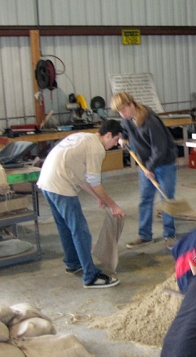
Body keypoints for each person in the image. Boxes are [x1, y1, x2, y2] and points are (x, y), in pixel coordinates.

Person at [37, 120, 125, 289]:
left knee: (65, 227)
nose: (115, 145)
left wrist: (97, 197)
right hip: (60, 185)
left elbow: (82, 177)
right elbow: (94, 181)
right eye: (115, 140)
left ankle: (72, 262)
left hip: (47, 183)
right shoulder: (97, 149)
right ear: (108, 135)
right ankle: (90, 276)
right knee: (81, 232)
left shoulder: (84, 137)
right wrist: (112, 204)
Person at [110, 92, 178, 250]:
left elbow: (159, 149)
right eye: (119, 112)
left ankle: (170, 234)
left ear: (131, 104)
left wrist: (151, 167)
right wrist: (123, 138)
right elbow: (125, 130)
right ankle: (145, 235)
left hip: (164, 163)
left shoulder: (150, 121)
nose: (122, 114)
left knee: (166, 199)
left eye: (123, 110)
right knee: (145, 200)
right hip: (146, 164)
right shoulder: (127, 119)